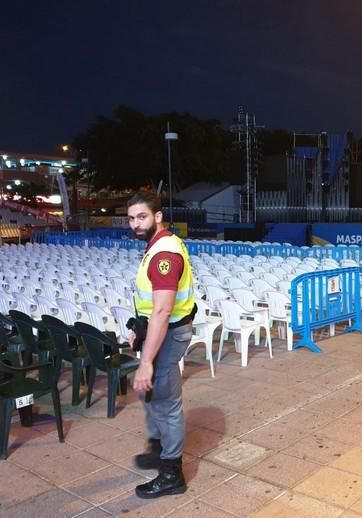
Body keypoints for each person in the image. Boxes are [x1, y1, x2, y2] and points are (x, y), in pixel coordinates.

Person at [126, 191, 196, 499]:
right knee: (148, 394)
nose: (135, 224)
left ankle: (172, 474)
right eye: (130, 218)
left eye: (141, 217)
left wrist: (146, 361)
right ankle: (157, 447)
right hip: (157, 332)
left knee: (166, 404)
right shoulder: (156, 246)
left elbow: (163, 310)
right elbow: (150, 305)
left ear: (158, 217)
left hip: (169, 335)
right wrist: (138, 328)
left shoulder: (164, 255)